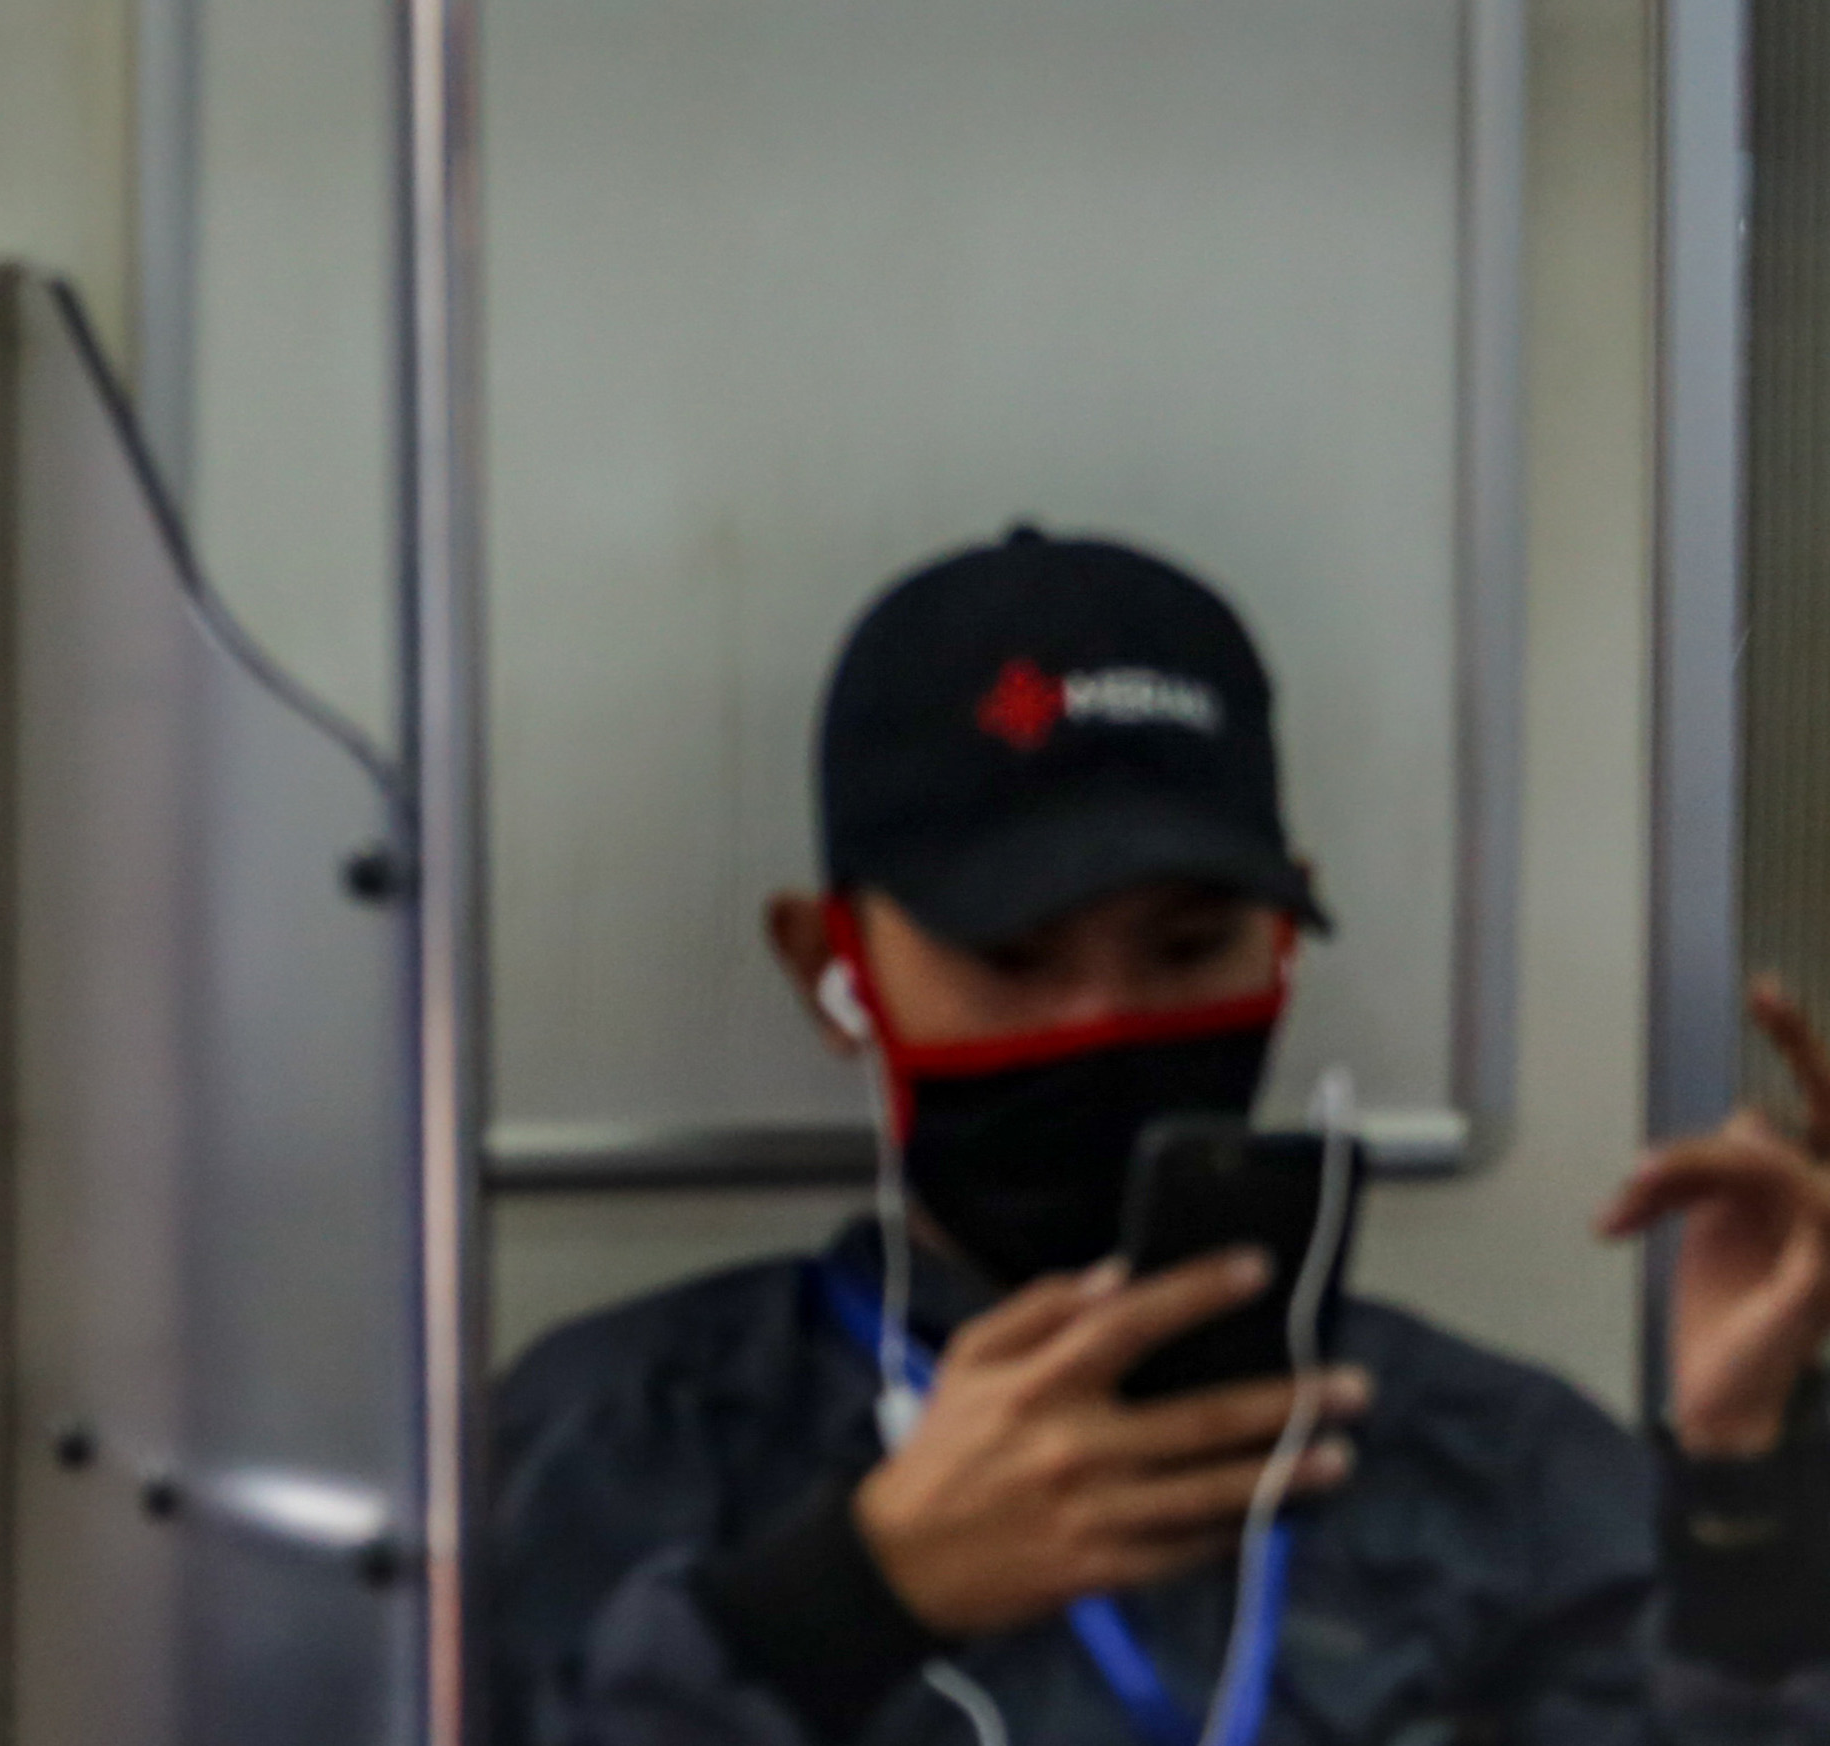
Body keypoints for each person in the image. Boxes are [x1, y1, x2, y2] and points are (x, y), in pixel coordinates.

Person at [492, 526, 1830, 1746]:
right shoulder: (624, 1442)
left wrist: (1740, 1489)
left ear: (1284, 931)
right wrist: (847, 1597)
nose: (1103, 1020)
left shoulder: (1493, 1461)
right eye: (1010, 957)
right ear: (825, 964)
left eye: (1186, 948)